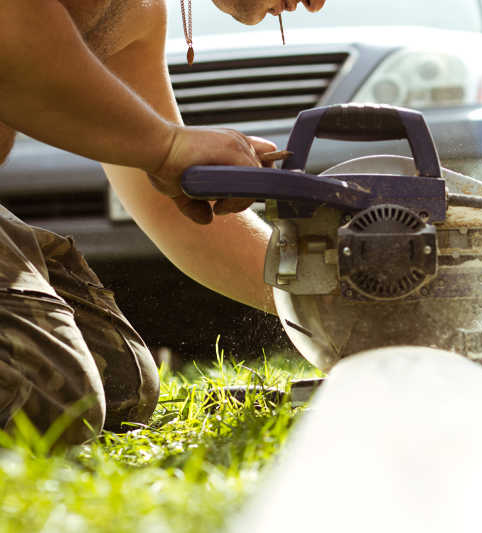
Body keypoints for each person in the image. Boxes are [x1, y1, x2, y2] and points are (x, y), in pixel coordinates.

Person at [0, 0, 325, 445]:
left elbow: (168, 208)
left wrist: (331, 300)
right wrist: (167, 147)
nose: (318, 4)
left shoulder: (136, 12)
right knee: (47, 392)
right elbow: (12, 49)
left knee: (120, 381)